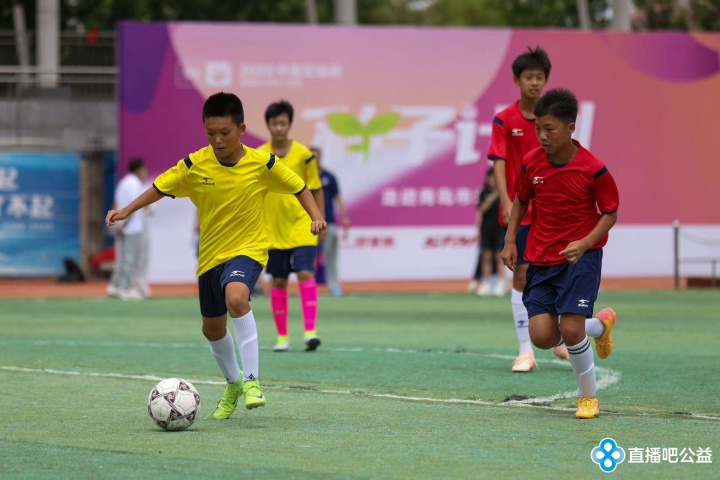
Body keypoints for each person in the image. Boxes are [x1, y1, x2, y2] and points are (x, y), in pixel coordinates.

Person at [105, 92, 326, 420]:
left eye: (225, 132)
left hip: (248, 249)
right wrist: (127, 210)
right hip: (210, 256)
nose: (218, 139)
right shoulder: (195, 165)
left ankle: (252, 381)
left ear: (241, 129)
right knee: (211, 329)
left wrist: (315, 216)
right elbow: (160, 187)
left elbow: (299, 186)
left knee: (236, 298)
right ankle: (233, 382)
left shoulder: (263, 163)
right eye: (211, 133)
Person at [501, 88, 619, 419]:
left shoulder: (593, 168)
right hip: (541, 257)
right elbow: (521, 200)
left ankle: (588, 398)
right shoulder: (531, 162)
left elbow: (610, 213)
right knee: (542, 337)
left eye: (549, 129)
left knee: (570, 330)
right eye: (538, 128)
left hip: (581, 257)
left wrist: (585, 242)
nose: (542, 136)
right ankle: (599, 326)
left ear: (570, 128)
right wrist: (510, 240)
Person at [488, 46, 570, 371]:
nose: (534, 83)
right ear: (516, 80)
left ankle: (560, 340)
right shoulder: (504, 119)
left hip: (552, 211)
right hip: (520, 211)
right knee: (521, 273)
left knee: (559, 272)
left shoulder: (554, 121)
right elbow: (499, 162)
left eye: (539, 77)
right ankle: (526, 351)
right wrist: (507, 201)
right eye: (528, 77)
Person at [259, 100, 326, 352]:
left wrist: (320, 219)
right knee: (278, 280)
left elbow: (316, 189)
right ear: (268, 125)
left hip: (302, 225)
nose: (279, 128)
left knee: (305, 273)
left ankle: (310, 333)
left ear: (290, 124)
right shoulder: (259, 156)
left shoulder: (305, 155)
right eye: (274, 123)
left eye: (283, 123)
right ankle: (282, 337)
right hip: (274, 229)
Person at [107, 158, 148, 300]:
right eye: (144, 169)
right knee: (130, 259)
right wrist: (124, 224)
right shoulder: (135, 184)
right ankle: (124, 288)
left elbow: (116, 203)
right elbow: (133, 207)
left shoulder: (123, 183)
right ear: (139, 169)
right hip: (132, 227)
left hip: (122, 226)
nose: (145, 172)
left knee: (123, 259)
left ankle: (114, 286)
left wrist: (116, 225)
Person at [312, 146, 351, 297]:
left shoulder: (329, 177)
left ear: (320, 158)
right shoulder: (303, 177)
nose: (314, 160)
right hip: (308, 223)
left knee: (331, 255)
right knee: (308, 256)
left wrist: (344, 216)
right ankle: (310, 286)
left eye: (316, 157)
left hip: (329, 222)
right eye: (311, 157)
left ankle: (334, 285)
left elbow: (338, 196)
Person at [473, 167, 506, 297]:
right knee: (486, 257)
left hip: (500, 229)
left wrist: (499, 193)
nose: (492, 180)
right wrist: (478, 231)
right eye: (490, 178)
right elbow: (482, 210)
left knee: (499, 257)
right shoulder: (484, 193)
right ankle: (486, 283)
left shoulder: (504, 194)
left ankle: (501, 283)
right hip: (486, 230)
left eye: (495, 178)